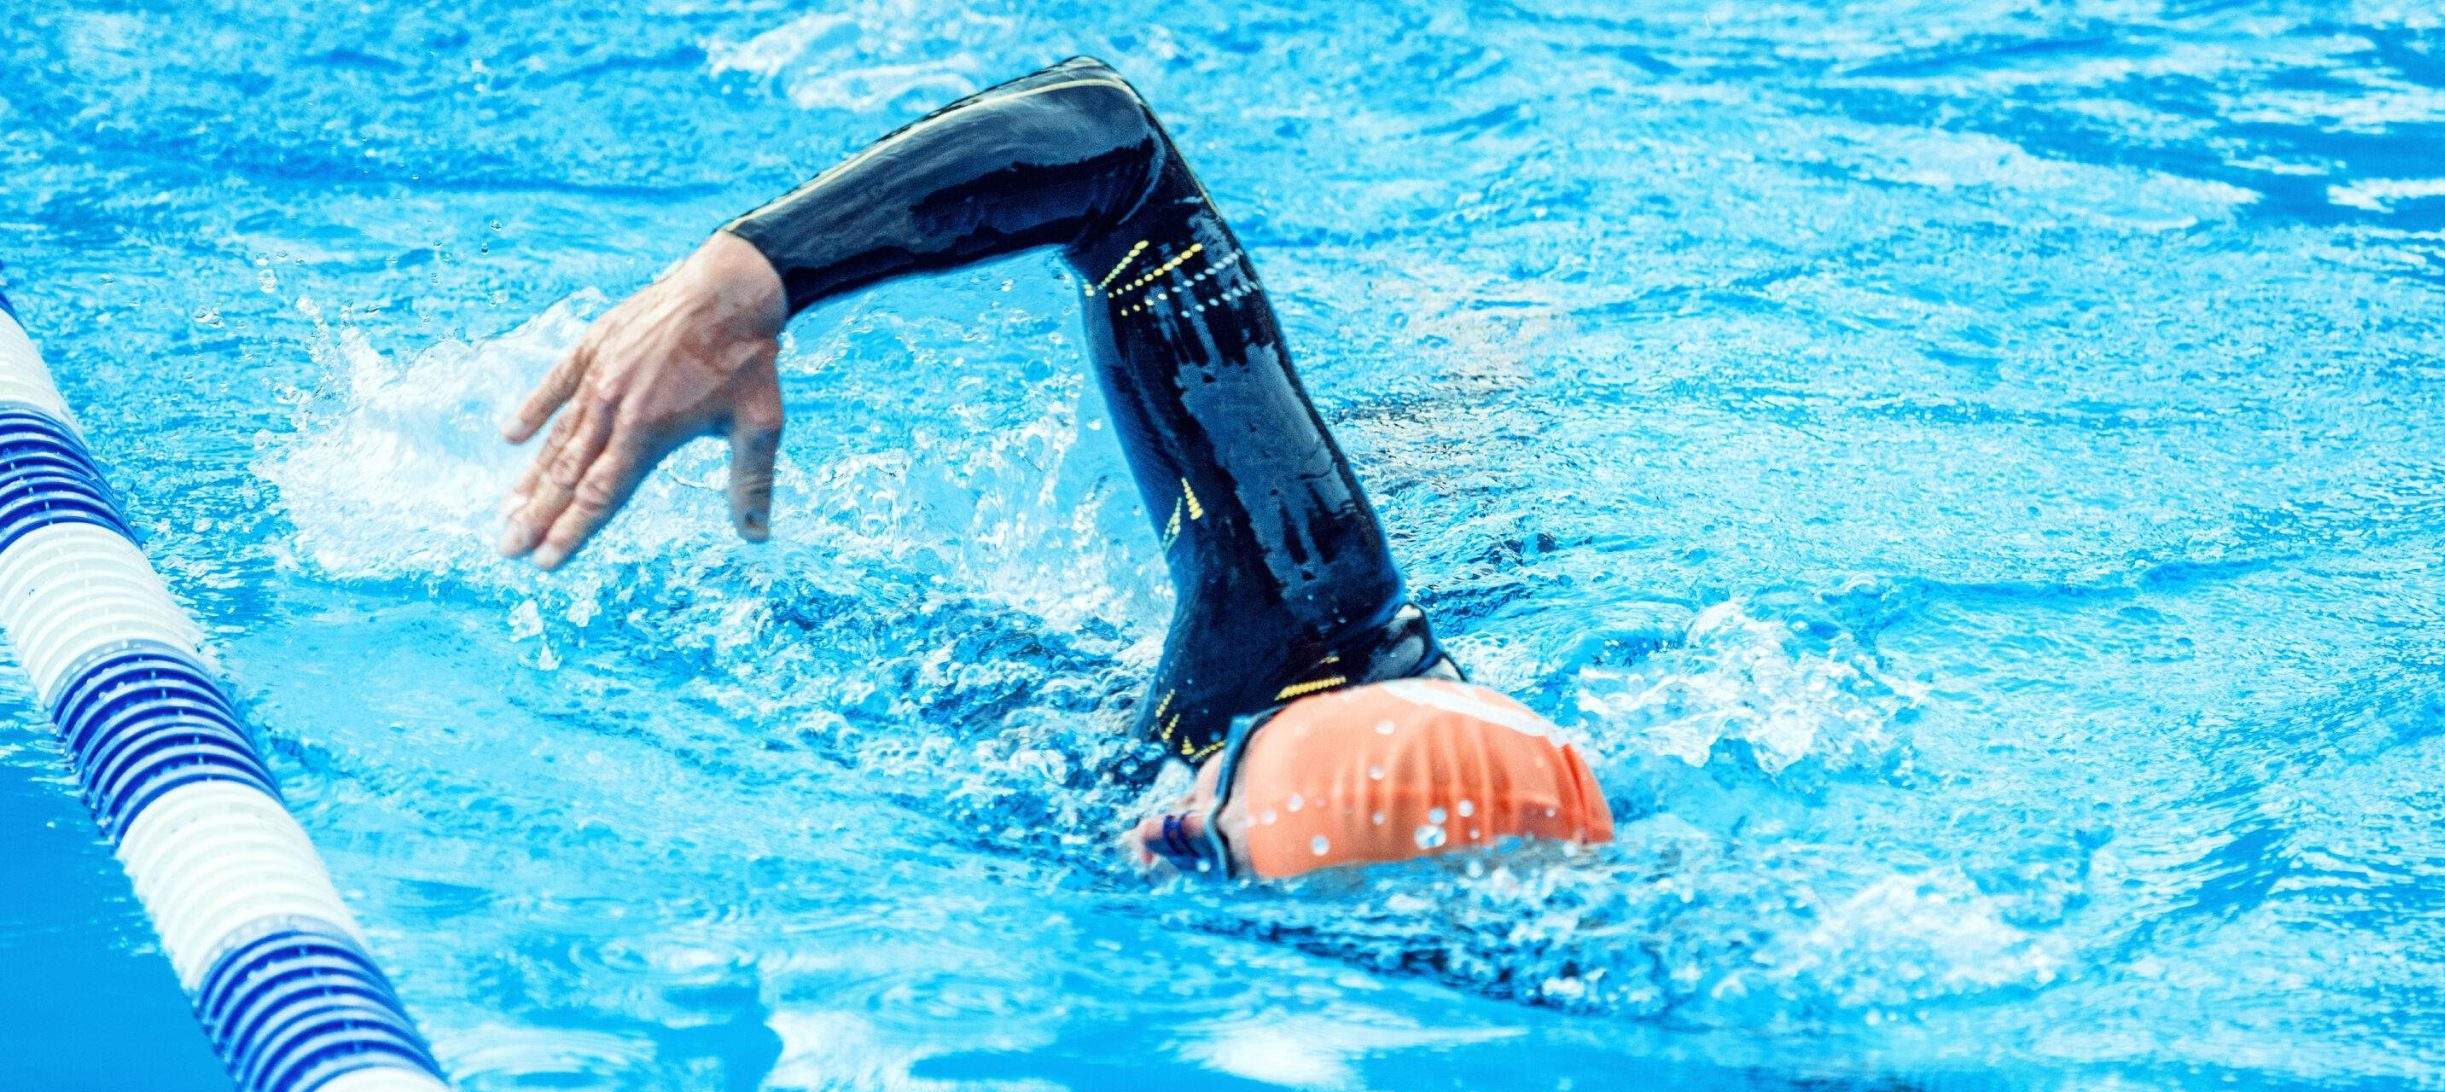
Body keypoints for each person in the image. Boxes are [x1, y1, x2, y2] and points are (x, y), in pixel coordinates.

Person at [498, 58, 1611, 880]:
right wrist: (748, 280)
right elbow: (1109, 143)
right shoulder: (1292, 636)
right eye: (1191, 815)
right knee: (1389, 507)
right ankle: (1488, 361)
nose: (1144, 839)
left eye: (1187, 844)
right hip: (1323, 607)